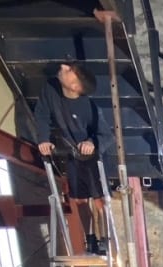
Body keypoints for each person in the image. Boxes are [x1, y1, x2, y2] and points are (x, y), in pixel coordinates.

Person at [34, 62, 112, 254]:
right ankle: (90, 239)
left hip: (93, 157)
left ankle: (105, 240)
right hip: (72, 154)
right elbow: (42, 115)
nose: (63, 66)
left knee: (100, 200)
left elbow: (107, 135)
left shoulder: (89, 108)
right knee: (79, 200)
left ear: (75, 86)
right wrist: (43, 139)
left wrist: (91, 143)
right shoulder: (51, 89)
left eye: (70, 71)